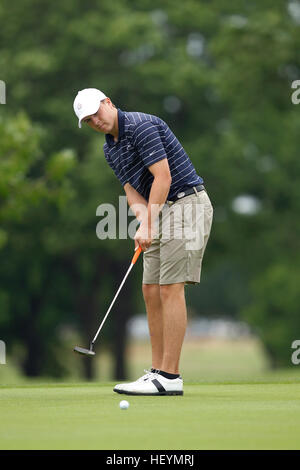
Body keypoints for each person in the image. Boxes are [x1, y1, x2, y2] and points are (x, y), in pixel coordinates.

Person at [73, 88, 213, 396]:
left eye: (97, 112)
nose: (96, 121)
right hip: (159, 209)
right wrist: (143, 223)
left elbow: (162, 177)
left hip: (186, 204)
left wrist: (149, 221)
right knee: (150, 289)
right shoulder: (109, 148)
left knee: (169, 287)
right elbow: (131, 190)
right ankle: (156, 373)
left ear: (108, 102)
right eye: (88, 120)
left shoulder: (140, 126)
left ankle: (170, 376)